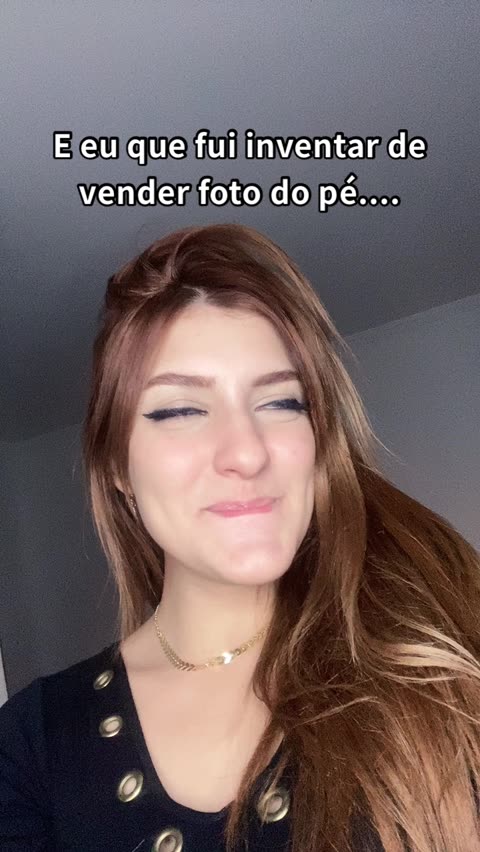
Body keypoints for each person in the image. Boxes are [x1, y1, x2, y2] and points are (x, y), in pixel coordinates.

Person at [0, 222, 479, 852]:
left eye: (282, 402)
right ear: (117, 467)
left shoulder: (439, 659)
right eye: (180, 410)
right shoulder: (31, 745)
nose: (248, 452)